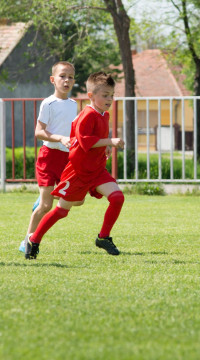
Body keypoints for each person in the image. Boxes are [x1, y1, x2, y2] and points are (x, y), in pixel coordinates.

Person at [21, 71, 125, 259]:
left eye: (112, 95)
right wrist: (109, 141)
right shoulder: (87, 114)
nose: (110, 99)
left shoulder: (104, 114)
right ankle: (33, 239)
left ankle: (103, 237)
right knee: (61, 211)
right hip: (78, 172)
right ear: (92, 96)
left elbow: (97, 138)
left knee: (117, 197)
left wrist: (105, 147)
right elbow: (85, 141)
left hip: (97, 170)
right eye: (105, 95)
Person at [19, 61, 77, 252]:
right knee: (45, 205)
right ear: (53, 80)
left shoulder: (74, 104)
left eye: (70, 76)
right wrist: (59, 138)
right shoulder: (48, 103)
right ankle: (27, 240)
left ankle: (43, 198)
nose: (66, 80)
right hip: (49, 157)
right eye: (62, 76)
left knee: (78, 200)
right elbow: (39, 132)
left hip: (67, 159)